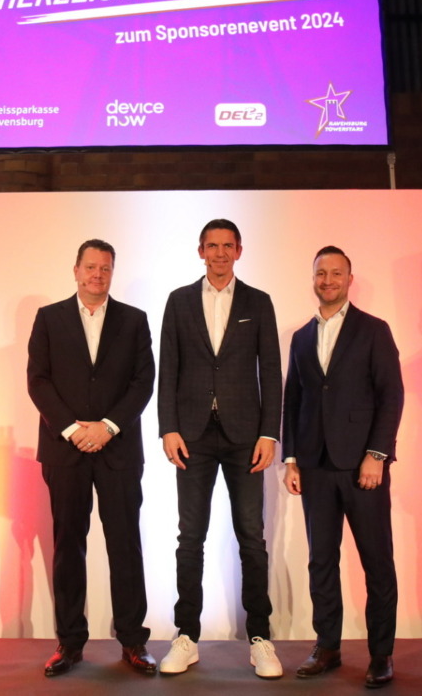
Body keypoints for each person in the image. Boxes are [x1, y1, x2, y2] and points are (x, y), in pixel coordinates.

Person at [157, 219, 284, 678]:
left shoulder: (258, 302)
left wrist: (269, 433)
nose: (220, 253)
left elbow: (271, 371)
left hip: (245, 437)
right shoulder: (179, 301)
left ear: (239, 251)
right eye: (212, 246)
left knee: (252, 536)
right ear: (200, 251)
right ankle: (186, 636)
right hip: (191, 436)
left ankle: (260, 637)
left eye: (228, 246)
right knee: (190, 537)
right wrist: (168, 428)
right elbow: (168, 369)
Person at [27, 239, 157, 677]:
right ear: (76, 270)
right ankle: (69, 643)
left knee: (125, 545)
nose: (97, 275)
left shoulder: (134, 320)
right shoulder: (49, 318)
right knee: (68, 546)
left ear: (112, 272)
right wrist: (73, 429)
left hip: (118, 449)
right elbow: (38, 381)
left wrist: (108, 427)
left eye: (105, 268)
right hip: (65, 450)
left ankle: (133, 641)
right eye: (90, 267)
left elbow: (143, 382)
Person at [282, 246, 405, 689]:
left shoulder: (374, 330)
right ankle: (327, 646)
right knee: (321, 560)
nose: (328, 280)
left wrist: (377, 454)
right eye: (321, 273)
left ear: (349, 279)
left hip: (362, 466)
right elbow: (293, 400)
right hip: (314, 466)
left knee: (377, 561)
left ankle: (381, 654)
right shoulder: (301, 337)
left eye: (336, 273)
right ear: (313, 278)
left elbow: (391, 395)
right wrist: (291, 459)